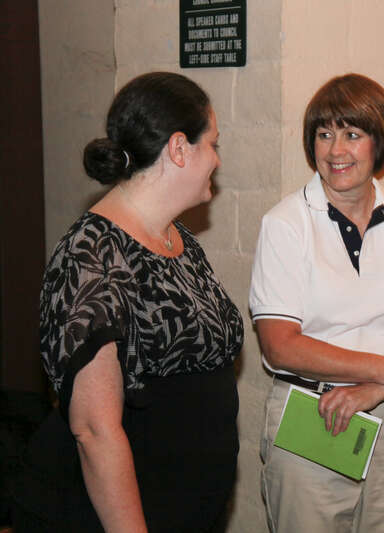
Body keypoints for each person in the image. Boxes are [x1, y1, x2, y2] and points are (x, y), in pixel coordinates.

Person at [13, 72, 244, 532]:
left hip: (185, 508)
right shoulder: (90, 255)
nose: (217, 160)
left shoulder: (178, 239)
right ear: (180, 149)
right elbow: (95, 431)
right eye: (212, 144)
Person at [249, 73, 384, 533]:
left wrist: (376, 390)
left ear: (380, 143)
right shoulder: (286, 224)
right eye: (324, 134)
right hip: (312, 413)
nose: (335, 150)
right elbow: (280, 346)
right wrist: (383, 369)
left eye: (352, 134)